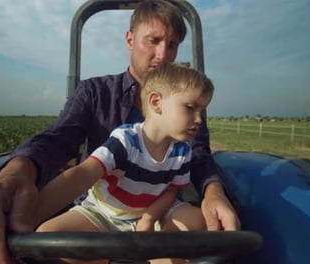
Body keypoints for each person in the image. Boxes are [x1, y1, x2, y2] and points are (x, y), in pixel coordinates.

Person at [0, 1, 240, 263]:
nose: (163, 54)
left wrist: (214, 193)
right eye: (153, 41)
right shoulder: (95, 93)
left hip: (156, 211)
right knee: (50, 241)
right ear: (130, 39)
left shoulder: (186, 117)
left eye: (173, 45)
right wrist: (17, 177)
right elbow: (60, 141)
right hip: (104, 211)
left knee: (205, 228)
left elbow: (199, 157)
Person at [35, 62, 213, 264]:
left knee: (204, 222)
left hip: (152, 214)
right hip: (105, 214)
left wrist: (149, 219)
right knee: (47, 235)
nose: (199, 119)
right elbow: (83, 174)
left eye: (202, 111)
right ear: (156, 103)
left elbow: (171, 191)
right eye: (191, 108)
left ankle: (159, 251)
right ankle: (109, 257)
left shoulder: (182, 150)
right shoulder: (125, 140)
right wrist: (31, 215)